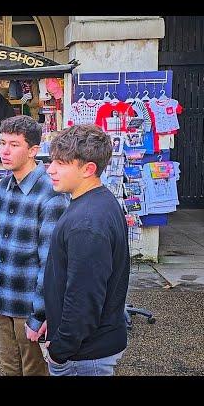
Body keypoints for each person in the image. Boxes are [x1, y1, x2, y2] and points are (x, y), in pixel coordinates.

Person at [42, 124, 130, 376]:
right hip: (86, 347)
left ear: (88, 169)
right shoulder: (95, 202)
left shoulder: (88, 222)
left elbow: (84, 298)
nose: (51, 169)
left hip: (84, 355)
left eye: (61, 163)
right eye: (52, 161)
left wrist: (60, 349)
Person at [0, 115, 69, 376]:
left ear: (33, 150)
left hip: (28, 306)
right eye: (2, 143)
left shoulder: (50, 193)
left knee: (34, 371)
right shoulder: (3, 187)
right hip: (2, 302)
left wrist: (40, 314)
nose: (5, 151)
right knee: (9, 368)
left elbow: (50, 262)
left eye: (14, 144)